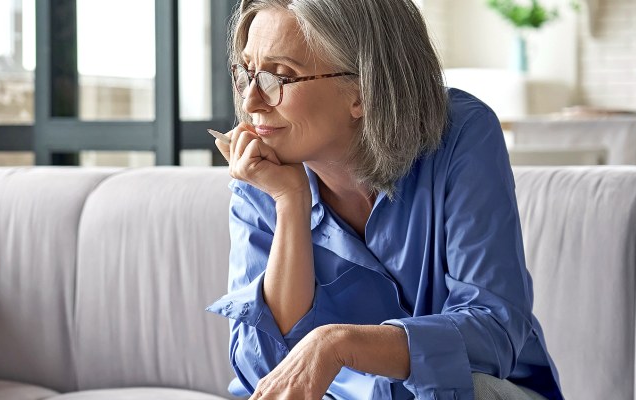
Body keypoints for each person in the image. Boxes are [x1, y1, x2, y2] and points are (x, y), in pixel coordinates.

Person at [204, 1, 563, 399]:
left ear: (361, 90)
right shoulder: (263, 172)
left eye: (279, 76)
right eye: (246, 73)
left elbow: (492, 331)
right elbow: (266, 372)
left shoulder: (462, 133)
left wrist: (337, 345)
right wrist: (290, 202)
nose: (251, 102)